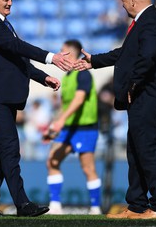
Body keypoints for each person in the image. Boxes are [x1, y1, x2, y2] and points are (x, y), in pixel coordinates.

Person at [74, 0, 156, 219]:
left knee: (147, 148)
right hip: (141, 94)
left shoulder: (151, 22)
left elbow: (147, 59)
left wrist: (133, 83)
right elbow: (126, 54)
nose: (121, 5)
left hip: (148, 94)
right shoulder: (143, 22)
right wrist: (94, 61)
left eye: (123, 1)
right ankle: (137, 206)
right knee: (136, 149)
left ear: (132, 0)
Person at [0, 0, 72, 217]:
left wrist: (42, 77)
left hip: (3, 96)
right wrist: (51, 57)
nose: (10, 3)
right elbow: (17, 47)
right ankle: (22, 204)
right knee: (9, 148)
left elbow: (16, 58)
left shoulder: (3, 23)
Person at [44, 39, 102, 215]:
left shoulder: (83, 73)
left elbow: (79, 99)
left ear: (71, 53)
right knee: (52, 161)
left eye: (62, 51)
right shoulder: (68, 76)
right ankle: (55, 206)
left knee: (88, 168)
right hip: (68, 128)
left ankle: (95, 208)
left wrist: (61, 121)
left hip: (85, 128)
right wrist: (55, 125)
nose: (60, 54)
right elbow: (65, 105)